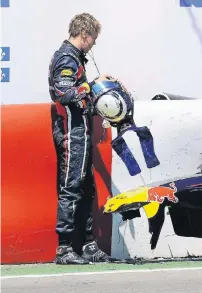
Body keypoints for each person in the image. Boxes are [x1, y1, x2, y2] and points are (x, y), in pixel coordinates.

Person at [48, 12, 113, 264]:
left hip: (80, 131)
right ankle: (64, 249)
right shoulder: (66, 57)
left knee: (87, 189)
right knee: (72, 189)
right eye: (93, 38)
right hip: (70, 132)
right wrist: (92, 84)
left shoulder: (76, 57)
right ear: (84, 34)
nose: (94, 43)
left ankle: (88, 245)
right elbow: (63, 92)